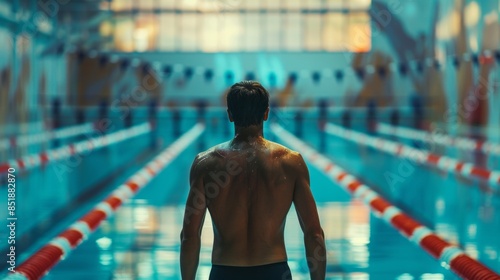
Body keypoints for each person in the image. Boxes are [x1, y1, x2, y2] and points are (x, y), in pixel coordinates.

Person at [180, 81, 326, 280]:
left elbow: (189, 236)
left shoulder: (206, 164)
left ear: (230, 114)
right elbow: (314, 234)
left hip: (225, 272)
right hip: (274, 272)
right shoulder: (290, 163)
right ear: (266, 113)